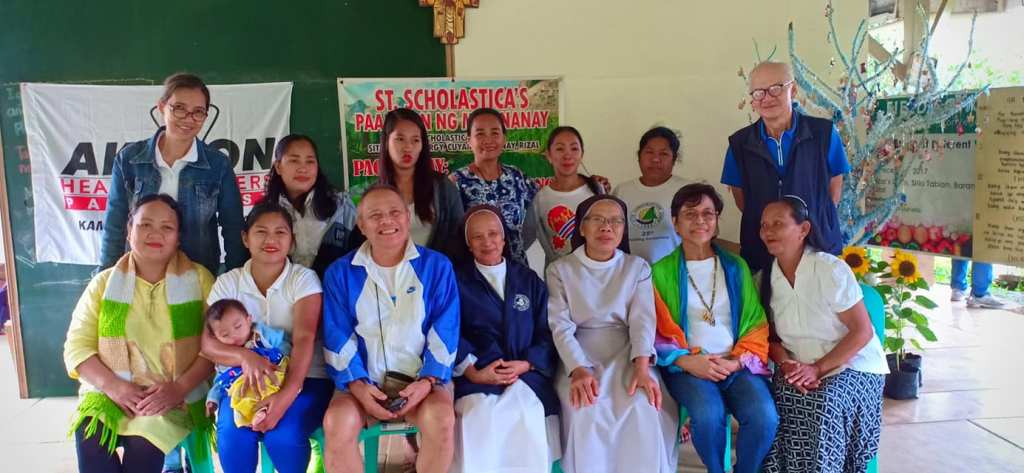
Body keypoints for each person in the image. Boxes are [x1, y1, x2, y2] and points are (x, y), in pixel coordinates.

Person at [64, 194, 215, 473]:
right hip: (109, 391)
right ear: (129, 230)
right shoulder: (104, 283)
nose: (155, 233)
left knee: (143, 443)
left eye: (167, 227)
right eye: (145, 225)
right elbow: (77, 347)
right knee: (90, 438)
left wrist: (178, 388)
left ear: (179, 237)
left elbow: (215, 346)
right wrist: (115, 387)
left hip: (174, 395)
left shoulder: (200, 279)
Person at [321, 184, 460, 473]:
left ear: (407, 217)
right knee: (336, 424)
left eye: (395, 212)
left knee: (442, 420)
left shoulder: (437, 267)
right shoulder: (340, 273)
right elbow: (337, 336)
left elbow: (445, 331)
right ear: (361, 224)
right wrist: (359, 387)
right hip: (361, 384)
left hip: (423, 383)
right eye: (375, 215)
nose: (387, 221)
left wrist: (427, 382)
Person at [546, 194, 678, 473]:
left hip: (628, 352)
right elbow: (560, 325)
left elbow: (643, 322)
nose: (607, 227)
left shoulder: (637, 267)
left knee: (644, 406)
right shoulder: (560, 269)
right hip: (578, 354)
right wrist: (578, 369)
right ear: (581, 228)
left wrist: (642, 368)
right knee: (585, 410)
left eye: (615, 221)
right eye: (598, 220)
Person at [651, 184, 777, 473]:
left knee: (764, 417)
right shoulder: (659, 272)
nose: (700, 221)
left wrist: (735, 362)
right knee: (708, 415)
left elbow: (755, 322)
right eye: (690, 214)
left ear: (717, 220)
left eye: (708, 213)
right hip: (688, 366)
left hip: (735, 363)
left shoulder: (735, 267)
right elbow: (654, 331)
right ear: (675, 222)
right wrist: (686, 360)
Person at [758, 196, 888, 473]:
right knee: (774, 405)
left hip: (853, 366)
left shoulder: (829, 269)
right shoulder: (765, 279)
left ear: (803, 229)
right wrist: (787, 365)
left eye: (778, 224)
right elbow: (770, 340)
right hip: (798, 366)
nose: (768, 231)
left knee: (825, 402)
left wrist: (817, 368)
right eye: (764, 225)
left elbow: (862, 332)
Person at [203, 201, 330, 473]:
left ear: (292, 241)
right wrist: (244, 356)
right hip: (242, 382)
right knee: (233, 435)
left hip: (306, 379)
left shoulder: (303, 279)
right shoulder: (229, 283)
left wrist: (286, 394)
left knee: (283, 435)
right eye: (261, 232)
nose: (270, 240)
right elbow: (207, 344)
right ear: (245, 238)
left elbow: (305, 338)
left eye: (280, 233)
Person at [449, 205, 560, 473]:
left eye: (493, 234)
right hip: (476, 375)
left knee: (525, 411)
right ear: (468, 243)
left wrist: (527, 364)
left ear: (503, 238)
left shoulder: (529, 280)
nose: (487, 242)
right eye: (477, 236)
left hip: (524, 373)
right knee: (480, 414)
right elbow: (448, 331)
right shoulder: (455, 280)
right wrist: (474, 371)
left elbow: (548, 331)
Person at [101, 72, 245, 275]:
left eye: (198, 112)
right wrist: (107, 277)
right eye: (179, 108)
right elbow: (115, 225)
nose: (189, 118)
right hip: (138, 277)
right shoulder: (129, 160)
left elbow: (233, 227)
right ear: (161, 107)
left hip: (196, 276)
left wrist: (236, 281)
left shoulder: (218, 165)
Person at [720, 61, 850, 272]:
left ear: (794, 90)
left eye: (776, 88)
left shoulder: (823, 134)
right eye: (759, 93)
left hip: (817, 244)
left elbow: (834, 191)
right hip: (763, 251)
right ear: (752, 100)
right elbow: (743, 200)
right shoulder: (739, 144)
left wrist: (809, 221)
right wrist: (775, 227)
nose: (767, 98)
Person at [369, 107, 465, 255]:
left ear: (422, 145)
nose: (408, 147)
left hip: (433, 274)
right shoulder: (374, 195)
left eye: (415, 140)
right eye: (400, 139)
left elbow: (458, 238)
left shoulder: (442, 187)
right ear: (386, 142)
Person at [451, 108, 539, 264]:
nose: (488, 140)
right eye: (480, 134)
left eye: (495, 133)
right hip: (474, 275)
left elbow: (547, 199)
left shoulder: (517, 176)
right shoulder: (456, 182)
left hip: (517, 271)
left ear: (504, 138)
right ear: (469, 140)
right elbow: (450, 234)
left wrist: (590, 183)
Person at [263, 134, 357, 277]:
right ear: (278, 166)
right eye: (294, 160)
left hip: (335, 295)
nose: (303, 168)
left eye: (310, 161)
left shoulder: (342, 207)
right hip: (284, 296)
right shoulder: (264, 213)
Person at [204, 299, 290, 427]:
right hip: (245, 386)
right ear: (216, 338)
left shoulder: (262, 334)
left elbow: (283, 343)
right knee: (239, 398)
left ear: (248, 320)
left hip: (271, 374)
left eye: (238, 326)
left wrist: (286, 362)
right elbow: (221, 379)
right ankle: (255, 415)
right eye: (225, 335)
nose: (234, 336)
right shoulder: (226, 355)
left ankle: (261, 413)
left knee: (274, 383)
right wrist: (212, 399)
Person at [529, 126, 607, 267]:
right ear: (548, 155)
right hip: (559, 279)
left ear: (582, 154)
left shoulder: (597, 190)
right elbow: (540, 241)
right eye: (560, 149)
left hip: (596, 275)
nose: (567, 155)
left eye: (574, 148)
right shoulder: (540, 199)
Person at [613, 126, 690, 265]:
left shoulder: (687, 190)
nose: (655, 159)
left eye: (664, 154)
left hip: (674, 277)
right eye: (649, 152)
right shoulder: (621, 191)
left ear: (674, 158)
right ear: (639, 156)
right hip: (630, 276)